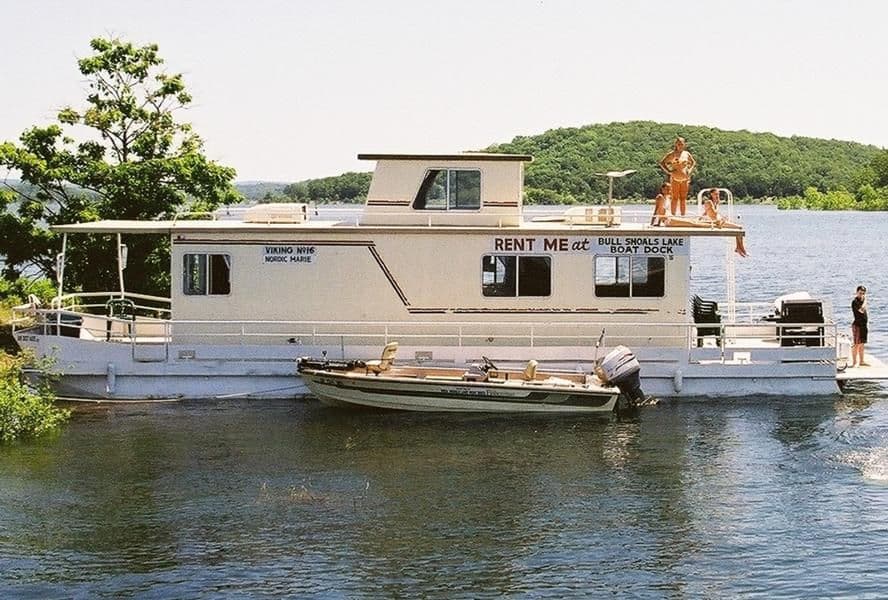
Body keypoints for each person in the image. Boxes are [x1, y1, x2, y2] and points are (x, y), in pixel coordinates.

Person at [700, 188, 748, 257]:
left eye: (718, 194)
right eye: (716, 194)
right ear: (711, 194)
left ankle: (739, 248)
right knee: (739, 228)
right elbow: (713, 213)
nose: (717, 195)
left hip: (719, 221)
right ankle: (740, 248)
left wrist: (722, 217)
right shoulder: (709, 202)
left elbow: (707, 213)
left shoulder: (714, 202)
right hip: (717, 222)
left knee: (739, 229)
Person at [659, 137, 696, 216]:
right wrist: (669, 171)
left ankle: (683, 216)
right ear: (676, 144)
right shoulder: (672, 154)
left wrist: (690, 170)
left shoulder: (686, 153)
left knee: (683, 198)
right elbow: (662, 163)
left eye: (682, 144)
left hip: (685, 179)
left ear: (684, 145)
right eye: (679, 144)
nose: (680, 145)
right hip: (675, 178)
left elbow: (693, 162)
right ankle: (673, 215)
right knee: (675, 198)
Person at [850, 285, 869, 368]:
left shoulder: (863, 300)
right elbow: (861, 310)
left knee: (862, 343)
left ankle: (862, 361)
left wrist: (864, 300)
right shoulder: (855, 302)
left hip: (863, 325)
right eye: (860, 293)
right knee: (856, 344)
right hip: (857, 325)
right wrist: (865, 301)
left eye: (863, 293)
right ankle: (854, 362)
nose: (862, 295)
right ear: (857, 292)